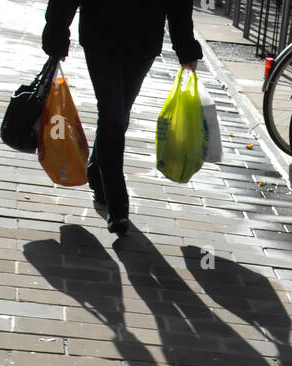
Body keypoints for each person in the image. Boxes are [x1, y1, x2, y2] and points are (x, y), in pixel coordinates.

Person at [41, 2, 203, 236]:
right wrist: (56, 31)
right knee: (114, 116)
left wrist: (186, 46)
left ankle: (97, 174)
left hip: (143, 42)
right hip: (100, 35)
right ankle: (118, 207)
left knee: (117, 115)